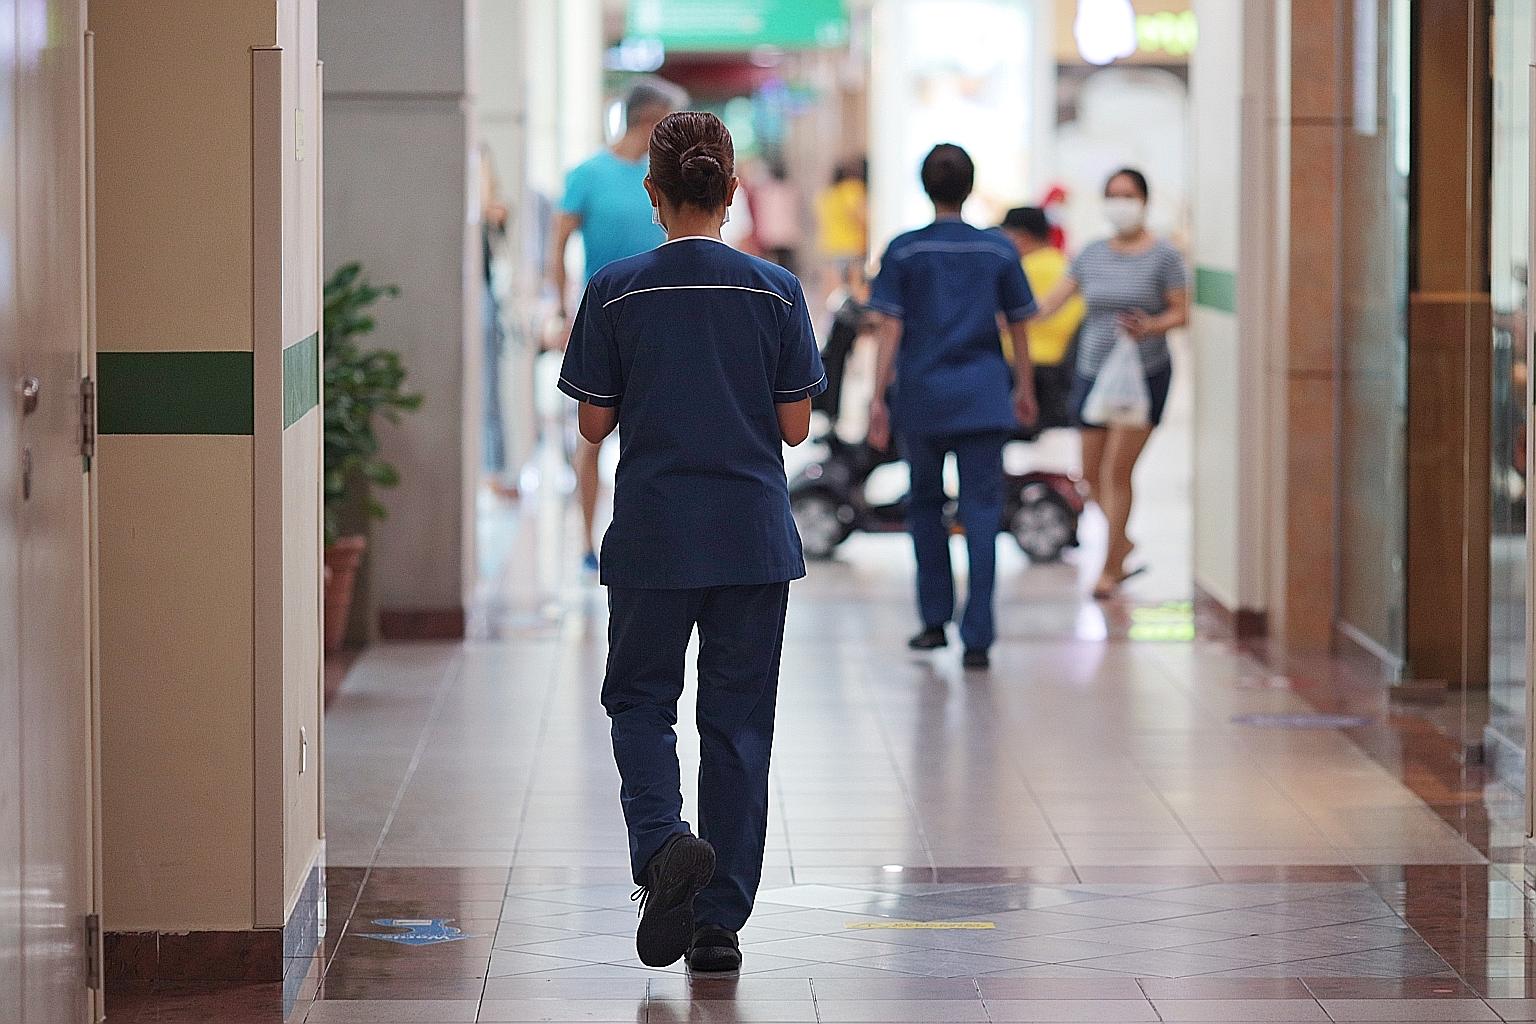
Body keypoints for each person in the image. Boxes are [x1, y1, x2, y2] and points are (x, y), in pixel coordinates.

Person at [557, 112, 825, 974]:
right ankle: (718, 927)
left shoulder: (617, 288)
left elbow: (594, 423)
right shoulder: (775, 290)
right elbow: (794, 427)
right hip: (751, 534)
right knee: (739, 722)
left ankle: (663, 841)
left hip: (655, 533)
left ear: (653, 193)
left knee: (640, 702)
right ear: (733, 187)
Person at [866, 144, 1039, 670]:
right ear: (970, 185)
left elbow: (889, 328)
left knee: (924, 505)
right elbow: (1019, 324)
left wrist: (877, 397)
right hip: (985, 395)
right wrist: (1024, 386)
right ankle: (979, 635)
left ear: (925, 187)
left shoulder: (904, 251)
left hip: (922, 396)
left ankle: (934, 620)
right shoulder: (998, 250)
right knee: (982, 510)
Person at [549, 77, 687, 573]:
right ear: (649, 121)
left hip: (664, 321)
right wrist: (563, 310)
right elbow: (558, 242)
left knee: (660, 433)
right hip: (604, 319)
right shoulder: (587, 174)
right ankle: (588, 541)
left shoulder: (664, 176)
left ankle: (657, 535)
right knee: (592, 438)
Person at [1032, 168, 1189, 600]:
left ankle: (1111, 567)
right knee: (1090, 473)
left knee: (1118, 471)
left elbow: (1182, 310)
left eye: (1128, 194)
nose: (1120, 202)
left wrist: (1152, 325)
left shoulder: (1164, 257)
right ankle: (1122, 540)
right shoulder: (1091, 254)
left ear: (1144, 200)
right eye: (1113, 195)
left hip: (1144, 374)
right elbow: (1050, 303)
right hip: (1092, 372)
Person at [1000, 206, 1084, 428]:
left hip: (1023, 369)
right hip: (1064, 370)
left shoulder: (1021, 269)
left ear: (1021, 237)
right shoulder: (1066, 265)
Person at [815, 157, 868, 302]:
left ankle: (832, 320)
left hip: (831, 246)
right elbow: (862, 218)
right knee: (856, 289)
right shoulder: (853, 189)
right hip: (852, 246)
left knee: (833, 291)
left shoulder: (826, 195)